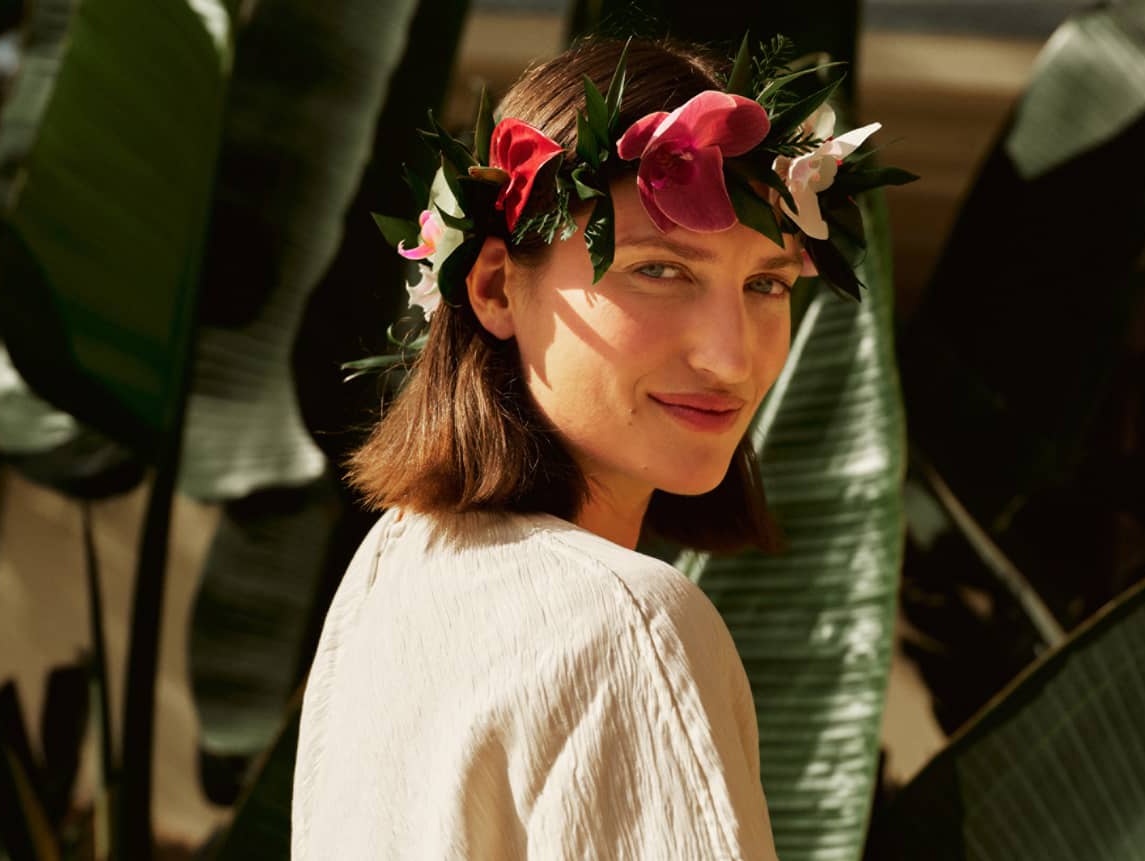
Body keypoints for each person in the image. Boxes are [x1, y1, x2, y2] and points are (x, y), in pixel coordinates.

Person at [292, 34, 890, 859]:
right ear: (495, 286)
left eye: (766, 283)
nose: (731, 358)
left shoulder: (394, 561)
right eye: (660, 270)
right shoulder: (629, 625)